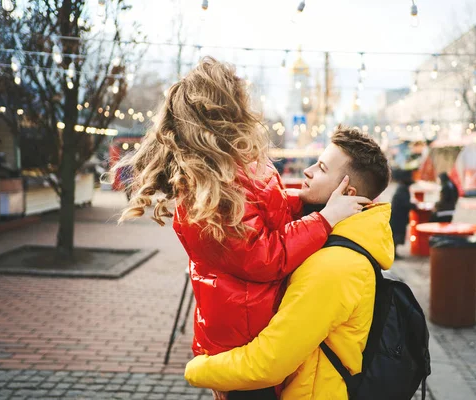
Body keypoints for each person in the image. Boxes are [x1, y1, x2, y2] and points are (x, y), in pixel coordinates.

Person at [116, 58, 369, 399]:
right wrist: (323, 220)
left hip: (252, 331)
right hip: (242, 344)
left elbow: (269, 207)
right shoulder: (208, 192)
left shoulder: (231, 170)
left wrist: (310, 202)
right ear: (225, 112)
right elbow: (265, 257)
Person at [184, 126, 394, 399]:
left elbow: (269, 362)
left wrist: (199, 369)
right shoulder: (331, 240)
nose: (308, 172)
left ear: (347, 192)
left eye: (321, 168)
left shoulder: (335, 266)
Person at [389, 172, 417, 259]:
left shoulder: (402, 188)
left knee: (396, 236)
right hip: (398, 217)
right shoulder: (402, 190)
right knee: (395, 236)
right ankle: (393, 254)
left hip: (399, 216)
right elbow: (404, 203)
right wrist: (413, 205)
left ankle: (394, 253)